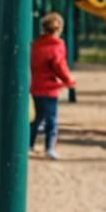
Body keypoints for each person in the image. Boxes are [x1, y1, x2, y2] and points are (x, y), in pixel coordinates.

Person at [30, 11, 76, 159]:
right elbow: (59, 65)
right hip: (50, 88)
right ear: (58, 29)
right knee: (52, 119)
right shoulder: (57, 45)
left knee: (38, 117)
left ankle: (28, 143)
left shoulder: (36, 44)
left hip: (37, 86)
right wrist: (68, 80)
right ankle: (50, 147)